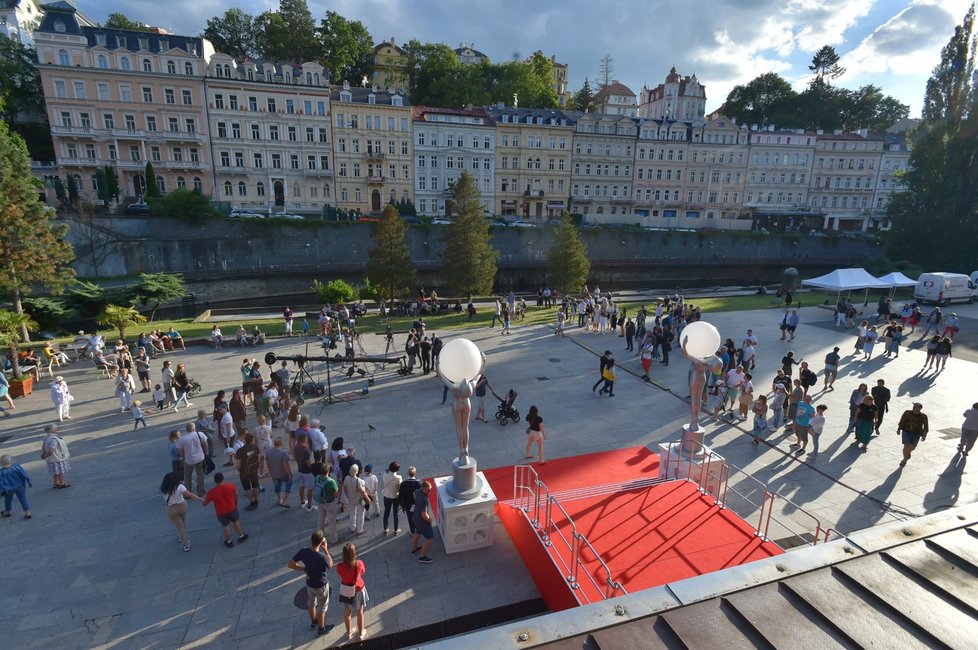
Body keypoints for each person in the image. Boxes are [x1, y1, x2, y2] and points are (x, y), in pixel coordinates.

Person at [288, 530, 334, 636]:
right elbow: (331, 565)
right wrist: (326, 550)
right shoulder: (322, 557)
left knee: (311, 602)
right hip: (321, 585)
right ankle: (321, 628)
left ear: (311, 540)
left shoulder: (303, 551)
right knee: (322, 606)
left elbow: (291, 564)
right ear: (321, 542)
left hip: (309, 584)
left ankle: (314, 622)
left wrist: (304, 568)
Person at [202, 472, 249, 548]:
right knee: (236, 522)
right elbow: (236, 494)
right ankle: (241, 535)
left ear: (214, 481)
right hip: (232, 508)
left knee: (226, 526)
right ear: (223, 478)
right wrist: (235, 502)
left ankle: (229, 541)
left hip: (221, 512)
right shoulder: (230, 486)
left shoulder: (211, 492)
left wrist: (203, 501)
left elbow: (205, 504)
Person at [160, 471, 203, 552]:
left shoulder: (163, 490)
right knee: (183, 522)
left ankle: (186, 544)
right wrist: (200, 499)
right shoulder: (179, 487)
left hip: (171, 509)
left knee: (179, 527)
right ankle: (182, 536)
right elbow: (189, 495)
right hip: (182, 506)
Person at [336, 542, 368, 641]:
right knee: (360, 612)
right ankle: (361, 633)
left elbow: (340, 574)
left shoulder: (339, 566)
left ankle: (349, 633)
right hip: (358, 589)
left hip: (346, 591)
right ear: (354, 553)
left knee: (347, 612)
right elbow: (363, 572)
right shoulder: (359, 563)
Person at [177, 422, 209, 497]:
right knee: (200, 474)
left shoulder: (182, 439)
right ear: (194, 428)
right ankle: (200, 491)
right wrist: (206, 453)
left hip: (189, 459)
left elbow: (179, 450)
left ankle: (187, 493)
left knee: (187, 476)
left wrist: (183, 457)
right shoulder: (200, 434)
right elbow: (206, 444)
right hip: (200, 457)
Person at [409, 480, 435, 564]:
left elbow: (414, 493)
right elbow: (424, 515)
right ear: (423, 489)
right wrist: (430, 520)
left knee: (418, 532)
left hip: (415, 518)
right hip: (422, 521)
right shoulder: (425, 500)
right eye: (428, 490)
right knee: (429, 537)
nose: (429, 491)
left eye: (430, 489)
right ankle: (422, 556)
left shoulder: (418, 491)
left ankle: (414, 548)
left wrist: (417, 502)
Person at [234, 432, 261, 511]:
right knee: (255, 485)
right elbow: (259, 458)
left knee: (247, 488)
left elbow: (238, 464)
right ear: (252, 439)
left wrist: (240, 471)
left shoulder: (240, 450)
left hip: (244, 472)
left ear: (245, 440)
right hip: (254, 470)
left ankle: (252, 502)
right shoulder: (255, 447)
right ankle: (256, 500)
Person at [0, 454, 32, 519]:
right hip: (20, 486)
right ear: (11, 461)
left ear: (1, 463)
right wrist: (29, 482)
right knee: (23, 498)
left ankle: (7, 512)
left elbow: (1, 483)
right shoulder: (17, 467)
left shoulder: (1, 472)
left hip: (8, 489)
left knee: (8, 500)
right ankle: (28, 513)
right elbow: (25, 474)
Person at [314, 463, 340, 543]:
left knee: (321, 519)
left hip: (320, 502)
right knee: (331, 521)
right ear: (328, 471)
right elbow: (336, 495)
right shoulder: (331, 482)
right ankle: (334, 539)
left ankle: (319, 536)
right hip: (329, 503)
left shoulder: (317, 477)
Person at [40, 424, 70, 489]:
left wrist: (44, 454)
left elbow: (44, 447)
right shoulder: (54, 439)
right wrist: (46, 455)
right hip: (57, 458)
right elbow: (51, 450)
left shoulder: (46, 437)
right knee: (60, 472)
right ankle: (62, 484)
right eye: (56, 429)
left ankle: (56, 483)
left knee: (55, 472)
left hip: (51, 459)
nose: (57, 429)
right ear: (52, 430)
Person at [344, 464, 370, 536]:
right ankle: (360, 529)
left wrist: (348, 496)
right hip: (359, 500)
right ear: (357, 471)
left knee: (352, 513)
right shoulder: (360, 481)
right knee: (361, 514)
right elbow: (363, 492)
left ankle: (352, 527)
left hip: (351, 499)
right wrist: (367, 499)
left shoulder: (346, 478)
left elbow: (345, 488)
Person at [266, 437, 293, 508]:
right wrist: (289, 474)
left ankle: (279, 499)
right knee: (288, 485)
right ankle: (284, 501)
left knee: (277, 487)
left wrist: (270, 472)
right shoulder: (283, 453)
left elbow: (268, 463)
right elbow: (286, 465)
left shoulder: (268, 452)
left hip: (274, 474)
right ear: (281, 444)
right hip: (283, 474)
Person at [398, 466, 422, 535]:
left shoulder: (403, 484)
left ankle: (413, 532)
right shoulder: (418, 484)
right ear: (415, 474)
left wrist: (401, 503)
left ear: (407, 474)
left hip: (408, 505)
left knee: (410, 518)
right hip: (417, 504)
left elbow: (400, 496)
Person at [382, 462, 403, 536]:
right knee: (395, 514)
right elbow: (400, 488)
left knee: (386, 513)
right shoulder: (398, 478)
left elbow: (386, 470)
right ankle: (396, 529)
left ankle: (385, 528)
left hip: (386, 496)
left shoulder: (385, 474)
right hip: (395, 497)